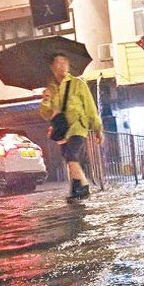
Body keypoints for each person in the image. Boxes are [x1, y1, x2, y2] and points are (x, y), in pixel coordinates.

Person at [40, 53, 104, 201]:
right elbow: (45, 114)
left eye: (64, 63)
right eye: (57, 63)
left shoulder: (77, 83)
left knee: (72, 157)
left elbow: (90, 107)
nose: (61, 66)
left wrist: (97, 129)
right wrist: (46, 99)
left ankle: (81, 188)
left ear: (69, 66)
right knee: (70, 160)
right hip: (62, 130)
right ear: (52, 67)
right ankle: (80, 188)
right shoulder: (50, 89)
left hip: (77, 127)